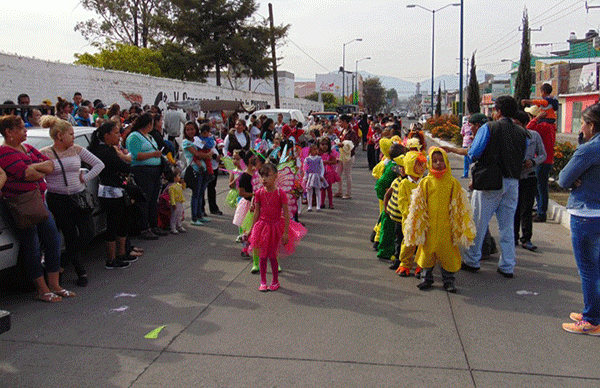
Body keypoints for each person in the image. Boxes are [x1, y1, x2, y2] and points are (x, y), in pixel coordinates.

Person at [0, 115, 74, 302]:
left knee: (53, 240)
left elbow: (51, 165)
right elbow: (25, 174)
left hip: (40, 202)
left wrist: (36, 167)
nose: (26, 131)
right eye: (21, 128)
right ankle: (42, 289)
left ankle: (54, 284)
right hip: (21, 205)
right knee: (31, 246)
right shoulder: (3, 153)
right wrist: (36, 168)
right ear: (9, 132)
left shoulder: (28, 148)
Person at [460, 96, 528, 278]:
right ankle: (507, 265)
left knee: (478, 222)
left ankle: (472, 260)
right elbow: (523, 157)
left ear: (497, 111)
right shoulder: (522, 132)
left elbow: (474, 153)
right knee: (507, 226)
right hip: (513, 182)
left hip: (490, 181)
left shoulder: (488, 128)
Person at [39, 116, 105, 286]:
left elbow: (99, 164)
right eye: (70, 134)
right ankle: (81, 271)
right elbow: (38, 174)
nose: (73, 137)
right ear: (59, 136)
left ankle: (63, 262)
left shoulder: (76, 149)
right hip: (58, 199)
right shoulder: (45, 153)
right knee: (69, 235)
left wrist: (86, 177)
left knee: (87, 233)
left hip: (79, 197)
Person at [404, 147, 475, 293]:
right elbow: (418, 204)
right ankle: (426, 277)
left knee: (447, 254)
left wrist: (460, 224)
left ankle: (448, 280)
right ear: (430, 163)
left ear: (447, 161)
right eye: (435, 161)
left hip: (446, 226)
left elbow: (459, 204)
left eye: (441, 160)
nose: (438, 164)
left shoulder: (452, 183)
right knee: (426, 253)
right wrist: (417, 224)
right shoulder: (426, 182)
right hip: (429, 226)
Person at [558, 103, 600, 335]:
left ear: (592, 125)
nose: (581, 127)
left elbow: (564, 178)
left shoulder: (589, 149)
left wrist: (578, 178)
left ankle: (591, 319)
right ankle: (593, 311)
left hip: (587, 214)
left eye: (583, 123)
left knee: (589, 269)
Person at [248, 163, 306, 292]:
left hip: (275, 227)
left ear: (275, 177)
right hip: (262, 227)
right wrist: (251, 230)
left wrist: (285, 233)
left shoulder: (281, 194)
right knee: (262, 255)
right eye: (262, 176)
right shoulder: (258, 193)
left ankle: (275, 280)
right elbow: (256, 212)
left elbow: (286, 214)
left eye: (267, 176)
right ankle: (263, 281)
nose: (264, 179)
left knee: (273, 255)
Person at [88, 121, 136, 269]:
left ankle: (122, 254)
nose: (119, 136)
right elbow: (125, 167)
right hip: (110, 192)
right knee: (113, 224)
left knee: (123, 222)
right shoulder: (105, 152)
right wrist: (123, 156)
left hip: (119, 190)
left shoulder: (111, 150)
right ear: (107, 135)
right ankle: (111, 258)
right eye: (116, 133)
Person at [125, 112, 165, 240]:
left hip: (154, 170)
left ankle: (153, 225)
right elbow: (135, 155)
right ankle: (144, 227)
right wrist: (153, 155)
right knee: (145, 200)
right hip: (142, 171)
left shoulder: (149, 136)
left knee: (154, 200)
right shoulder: (134, 136)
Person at [512, 110, 546, 251]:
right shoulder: (510, 136)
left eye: (518, 124)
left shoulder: (534, 136)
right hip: (513, 178)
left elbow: (543, 155)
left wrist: (533, 162)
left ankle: (526, 239)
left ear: (525, 124)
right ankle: (512, 237)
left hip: (529, 177)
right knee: (514, 209)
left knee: (526, 210)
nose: (515, 127)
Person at [392, 151, 427, 276]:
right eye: (418, 164)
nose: (421, 167)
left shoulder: (425, 182)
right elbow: (402, 202)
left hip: (423, 219)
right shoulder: (404, 184)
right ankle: (405, 263)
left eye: (422, 164)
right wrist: (410, 214)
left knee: (422, 243)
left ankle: (420, 264)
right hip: (409, 219)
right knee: (408, 242)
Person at [523, 104, 556, 223]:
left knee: (541, 188)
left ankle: (541, 213)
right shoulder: (550, 126)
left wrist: (535, 119)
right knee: (540, 187)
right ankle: (539, 210)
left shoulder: (542, 126)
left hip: (543, 160)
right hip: (547, 159)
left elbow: (528, 128)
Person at [182, 121, 211, 225]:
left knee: (200, 193)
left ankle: (200, 215)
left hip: (203, 169)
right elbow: (198, 154)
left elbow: (207, 147)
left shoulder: (197, 140)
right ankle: (194, 218)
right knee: (196, 194)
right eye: (187, 129)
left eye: (192, 129)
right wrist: (208, 155)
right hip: (194, 170)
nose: (190, 131)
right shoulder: (186, 142)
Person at [335, 114, 359, 199]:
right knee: (338, 173)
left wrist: (343, 145)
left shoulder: (351, 132)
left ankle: (348, 193)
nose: (339, 123)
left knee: (347, 174)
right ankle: (339, 191)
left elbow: (353, 144)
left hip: (348, 156)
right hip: (341, 155)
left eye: (340, 121)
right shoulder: (343, 131)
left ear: (345, 121)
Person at [303, 143, 327, 212]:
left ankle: (318, 206)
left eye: (317, 149)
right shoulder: (307, 159)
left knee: (318, 191)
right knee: (309, 191)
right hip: (310, 176)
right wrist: (306, 176)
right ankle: (309, 206)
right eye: (314, 149)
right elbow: (305, 169)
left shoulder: (319, 159)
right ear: (310, 150)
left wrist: (321, 175)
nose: (316, 151)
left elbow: (322, 168)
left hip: (317, 176)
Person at [319, 137, 339, 209]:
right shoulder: (319, 154)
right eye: (322, 144)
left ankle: (331, 203)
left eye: (326, 144)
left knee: (329, 188)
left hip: (329, 172)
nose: (324, 146)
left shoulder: (330, 154)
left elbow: (334, 161)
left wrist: (327, 162)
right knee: (322, 188)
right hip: (321, 173)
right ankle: (322, 202)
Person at [164, 169, 186, 234]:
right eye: (178, 176)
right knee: (174, 215)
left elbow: (183, 188)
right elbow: (172, 196)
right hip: (175, 202)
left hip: (180, 202)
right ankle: (173, 227)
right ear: (174, 178)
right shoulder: (171, 187)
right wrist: (173, 204)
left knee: (179, 215)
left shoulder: (178, 185)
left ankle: (179, 225)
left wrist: (183, 183)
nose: (179, 177)